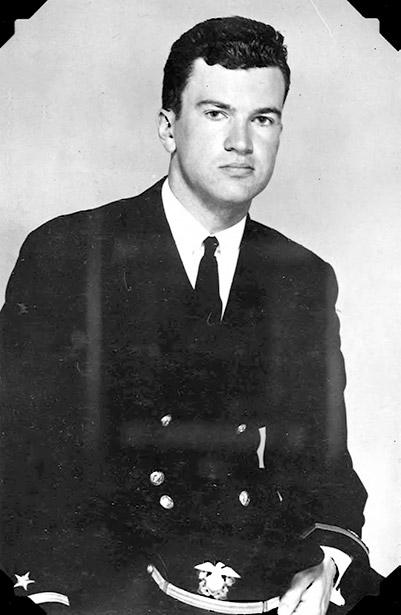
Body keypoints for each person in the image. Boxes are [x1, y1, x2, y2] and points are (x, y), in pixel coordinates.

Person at [0, 15, 377, 615]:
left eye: (263, 118)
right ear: (168, 126)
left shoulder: (302, 276)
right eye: (215, 113)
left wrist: (327, 562)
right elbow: (18, 455)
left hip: (261, 572)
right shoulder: (70, 253)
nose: (241, 143)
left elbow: (324, 462)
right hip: (106, 574)